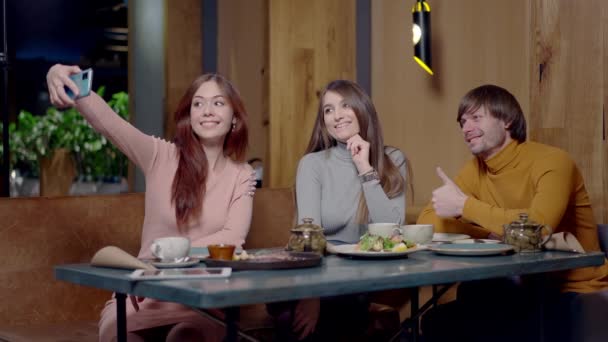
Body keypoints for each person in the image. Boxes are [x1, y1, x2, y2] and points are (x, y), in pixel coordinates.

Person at [47, 64, 256, 342]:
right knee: (119, 335)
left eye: (218, 103)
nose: (207, 110)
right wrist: (64, 80)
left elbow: (232, 238)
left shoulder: (242, 175)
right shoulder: (160, 155)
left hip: (205, 298)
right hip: (145, 295)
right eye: (198, 104)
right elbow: (110, 123)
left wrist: (168, 260)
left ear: (234, 119)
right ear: (189, 117)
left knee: (187, 336)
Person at [417, 84, 608, 342]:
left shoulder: (552, 161)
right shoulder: (477, 168)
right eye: (462, 122)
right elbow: (428, 221)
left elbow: (538, 228)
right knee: (439, 319)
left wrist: (465, 207)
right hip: (523, 284)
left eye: (476, 118)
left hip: (572, 287)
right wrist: (492, 231)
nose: (466, 128)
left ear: (506, 120)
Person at [269, 79, 412, 341]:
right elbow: (308, 236)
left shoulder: (393, 160)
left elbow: (393, 232)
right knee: (293, 318)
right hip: (318, 274)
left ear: (362, 109)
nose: (336, 115)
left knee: (337, 313)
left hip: (364, 278)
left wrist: (364, 168)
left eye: (345, 105)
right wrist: (312, 296)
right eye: (328, 110)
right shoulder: (313, 164)